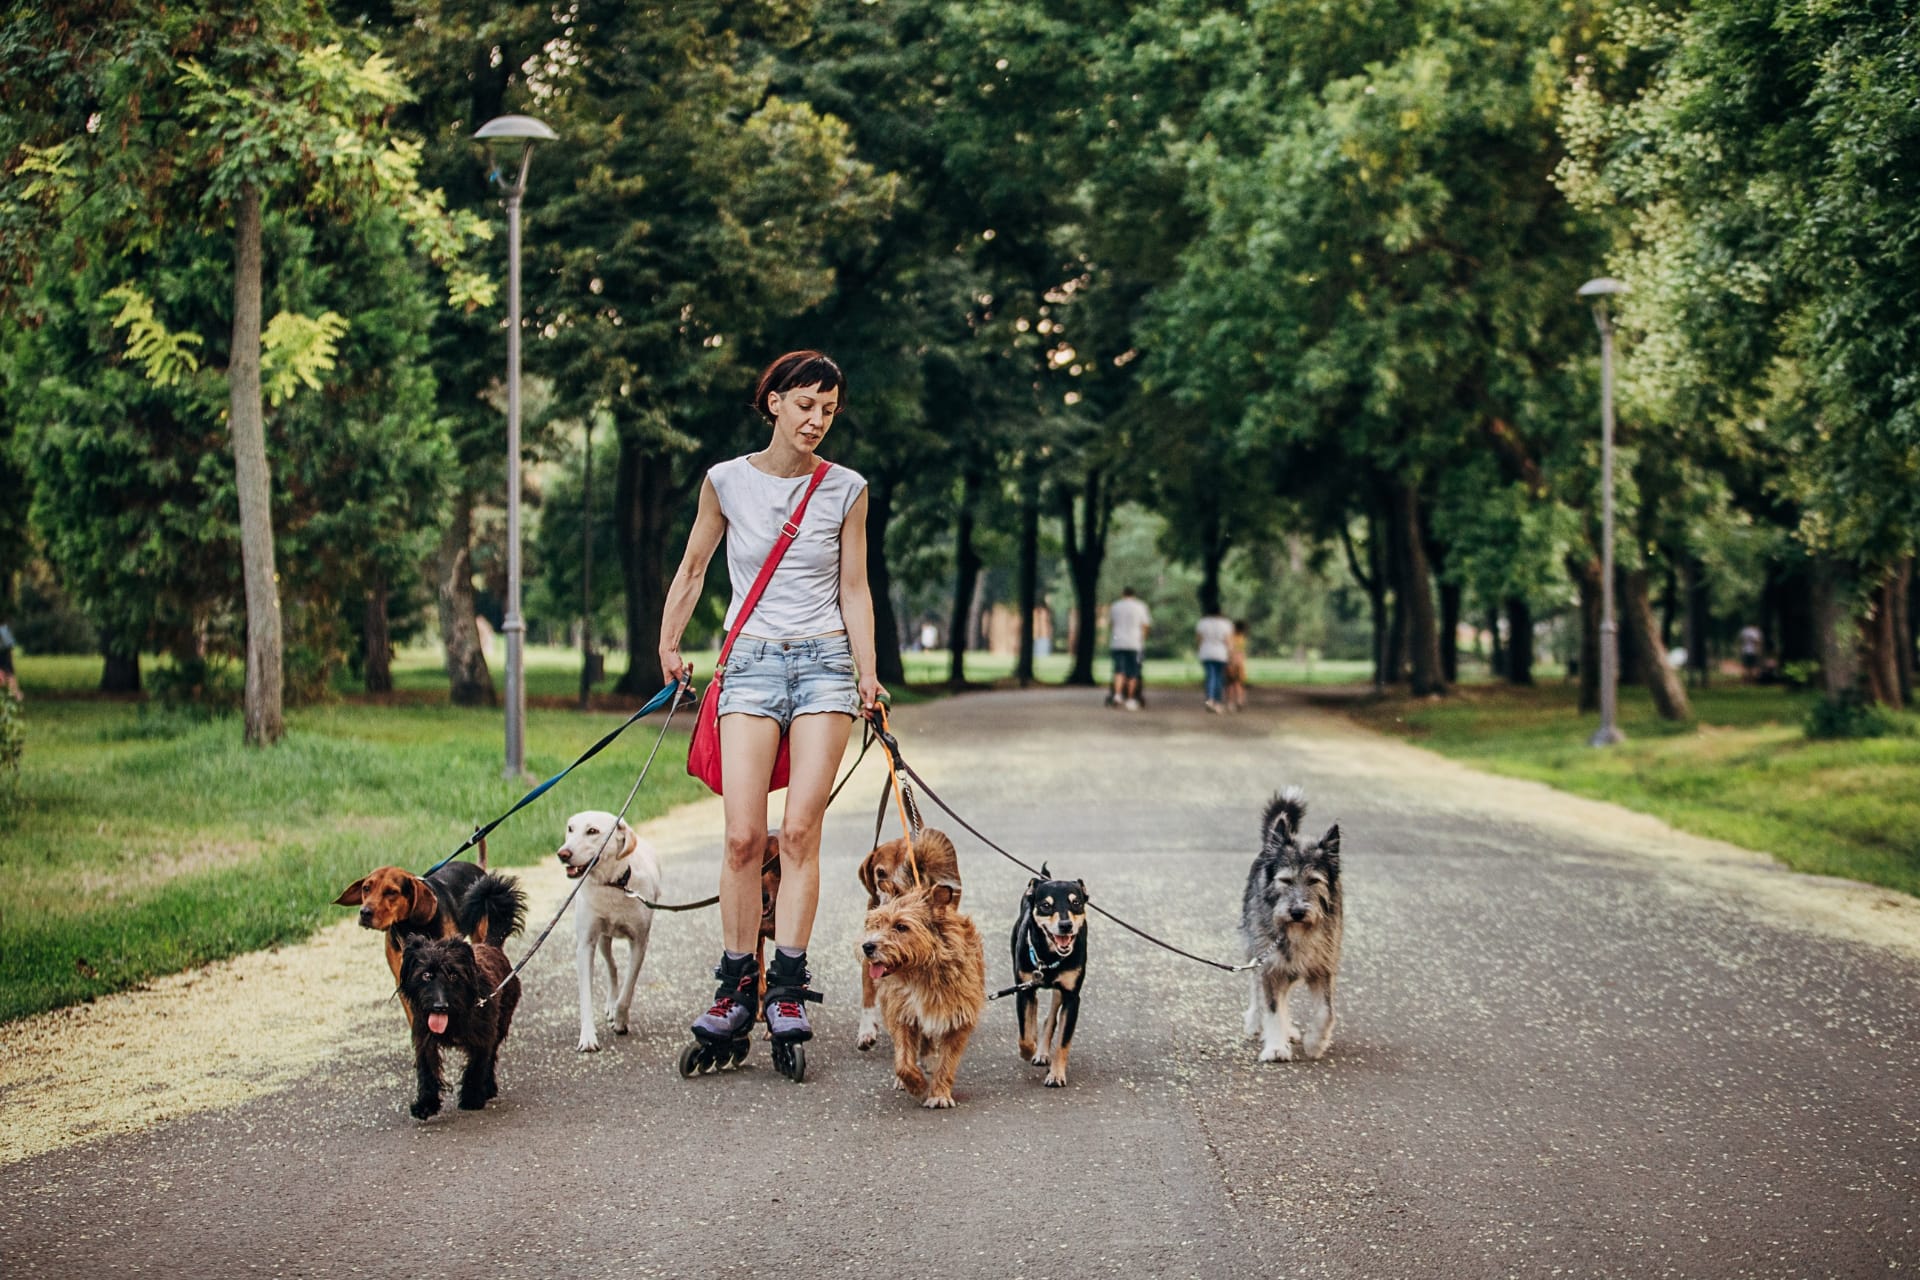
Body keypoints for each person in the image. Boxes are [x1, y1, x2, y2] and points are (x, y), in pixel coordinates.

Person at [657, 350, 884, 1050]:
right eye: (806, 404)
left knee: (802, 833)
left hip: (824, 664)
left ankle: (786, 988)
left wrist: (867, 676)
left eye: (829, 409)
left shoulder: (847, 488)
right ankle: (734, 988)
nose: (817, 420)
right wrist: (669, 644)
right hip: (749, 664)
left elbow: (853, 588)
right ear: (774, 403)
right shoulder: (725, 481)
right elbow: (694, 567)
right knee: (742, 837)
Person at [1108, 586, 1150, 710]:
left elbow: (1112, 624)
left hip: (1118, 643)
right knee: (1134, 672)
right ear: (1134, 594)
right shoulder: (1141, 606)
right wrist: (1143, 639)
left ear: (1123, 594)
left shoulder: (1115, 606)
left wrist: (1115, 636)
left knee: (1119, 670)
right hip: (1135, 644)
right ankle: (1131, 698)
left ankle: (1117, 695)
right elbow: (1145, 625)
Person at [1195, 604, 1233, 713]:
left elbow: (1199, 640)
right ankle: (1217, 702)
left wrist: (1199, 651)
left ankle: (1209, 701)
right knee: (1219, 678)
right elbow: (1228, 641)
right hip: (1221, 654)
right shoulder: (1225, 623)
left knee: (1210, 677)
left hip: (1206, 653)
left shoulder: (1202, 623)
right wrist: (1230, 654)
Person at [1224, 619, 1249, 713]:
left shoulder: (1231, 637)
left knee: (1230, 684)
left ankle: (1230, 703)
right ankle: (1239, 701)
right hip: (1240, 663)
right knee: (1239, 684)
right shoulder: (1242, 637)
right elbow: (1242, 652)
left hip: (1231, 662)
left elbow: (1230, 650)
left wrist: (1230, 661)